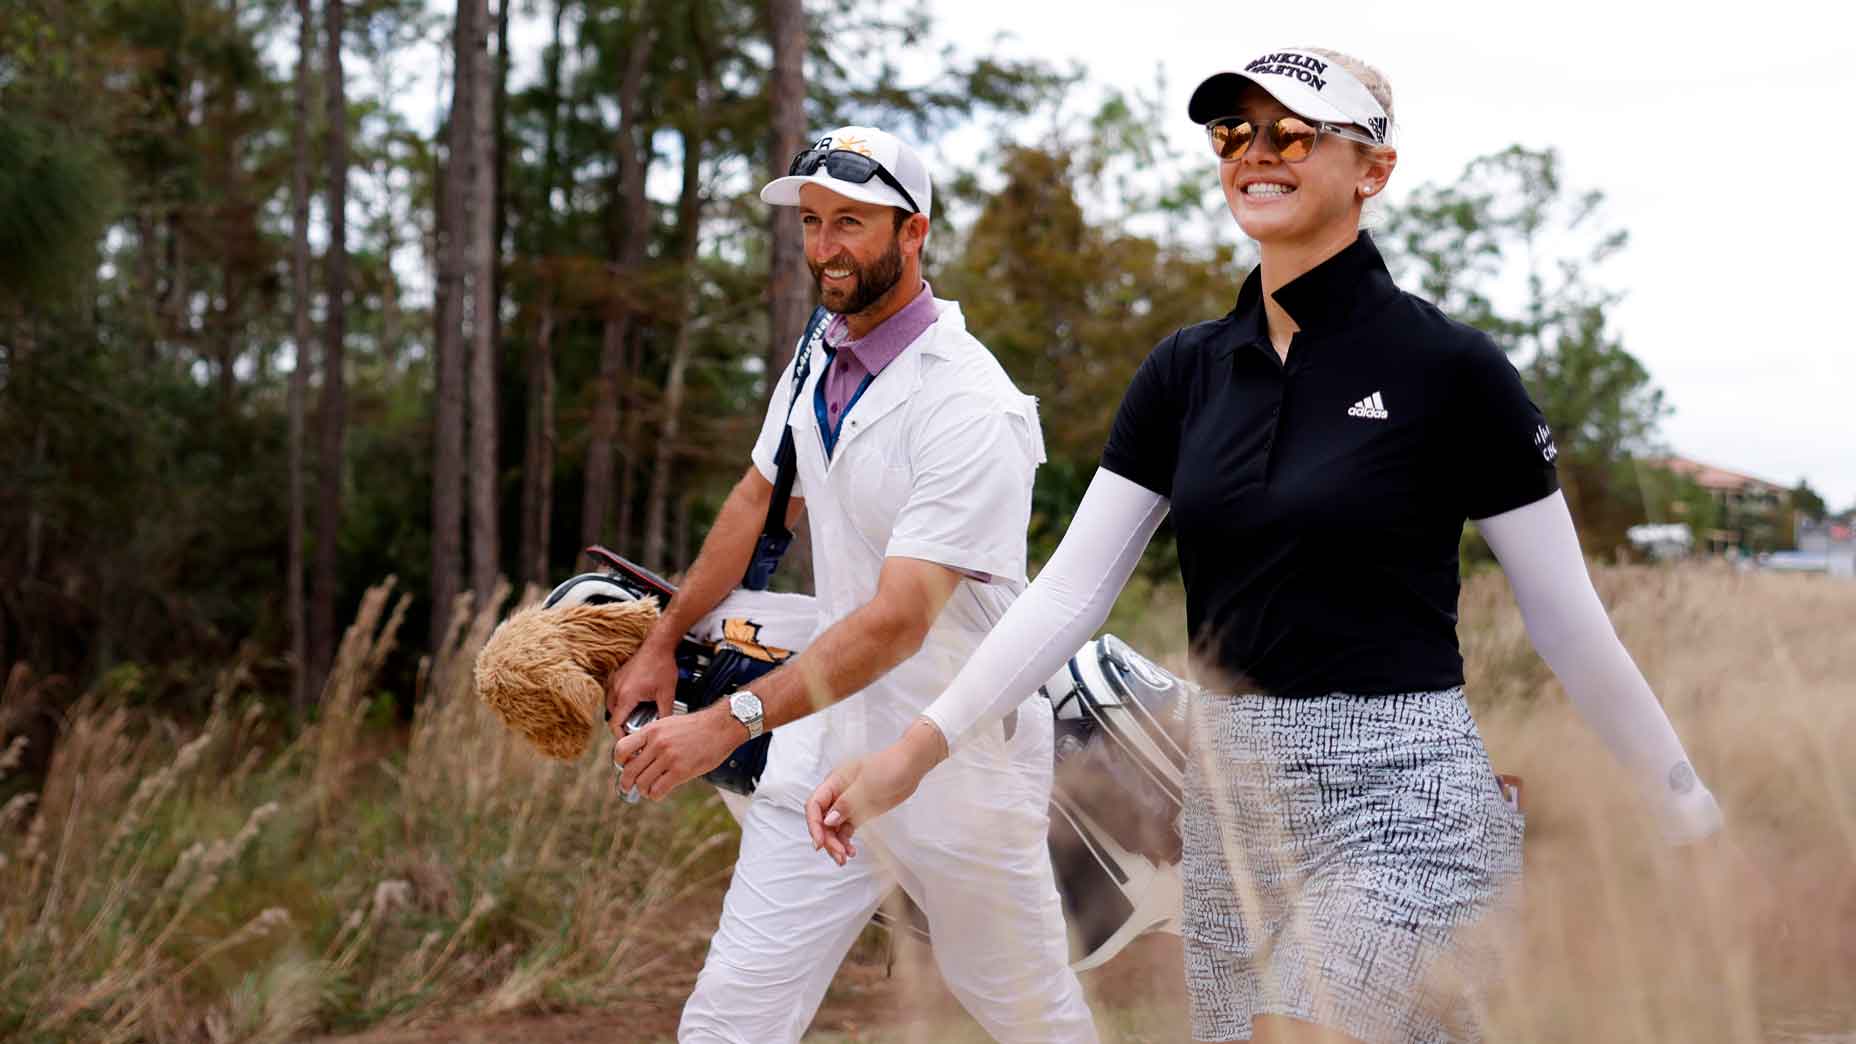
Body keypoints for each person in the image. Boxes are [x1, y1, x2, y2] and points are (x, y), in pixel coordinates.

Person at [804, 50, 1726, 1044]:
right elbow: (1068, 595)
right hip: (1231, 815)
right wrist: (914, 751)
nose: (1256, 154)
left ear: (1373, 169)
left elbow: (1565, 622)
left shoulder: (1451, 370)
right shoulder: (1184, 373)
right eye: (1234, 133)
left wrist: (1685, 808)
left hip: (1405, 799)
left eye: (1292, 133)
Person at [606, 125, 1099, 1044]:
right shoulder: (818, 356)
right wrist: (662, 643)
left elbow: (901, 620)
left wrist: (728, 721)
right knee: (731, 1015)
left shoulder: (971, 403)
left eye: (851, 223)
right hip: (820, 736)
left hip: (954, 753)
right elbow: (758, 500)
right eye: (812, 221)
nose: (824, 246)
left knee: (1027, 1013)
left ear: (913, 234)